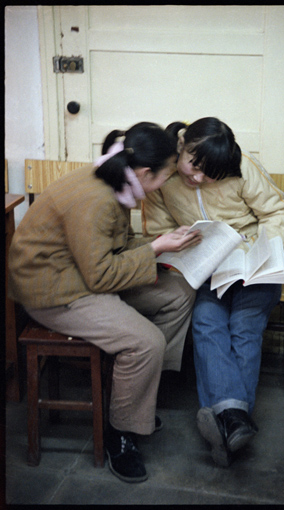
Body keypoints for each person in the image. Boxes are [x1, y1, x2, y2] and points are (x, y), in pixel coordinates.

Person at [8, 122, 202, 483]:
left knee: (179, 294)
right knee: (146, 341)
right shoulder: (96, 199)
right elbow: (101, 277)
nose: (166, 184)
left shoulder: (118, 179)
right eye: (165, 177)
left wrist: (158, 243)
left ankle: (134, 397)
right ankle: (121, 433)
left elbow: (116, 247)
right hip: (55, 291)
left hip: (83, 274)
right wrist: (157, 248)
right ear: (145, 172)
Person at [142, 117, 284, 467]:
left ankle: (223, 419)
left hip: (253, 267)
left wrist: (262, 247)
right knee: (207, 321)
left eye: (208, 175)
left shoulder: (241, 167)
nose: (196, 178)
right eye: (192, 167)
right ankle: (234, 422)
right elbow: (158, 229)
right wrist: (183, 243)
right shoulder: (165, 176)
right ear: (183, 147)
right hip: (207, 267)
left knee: (244, 323)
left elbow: (278, 211)